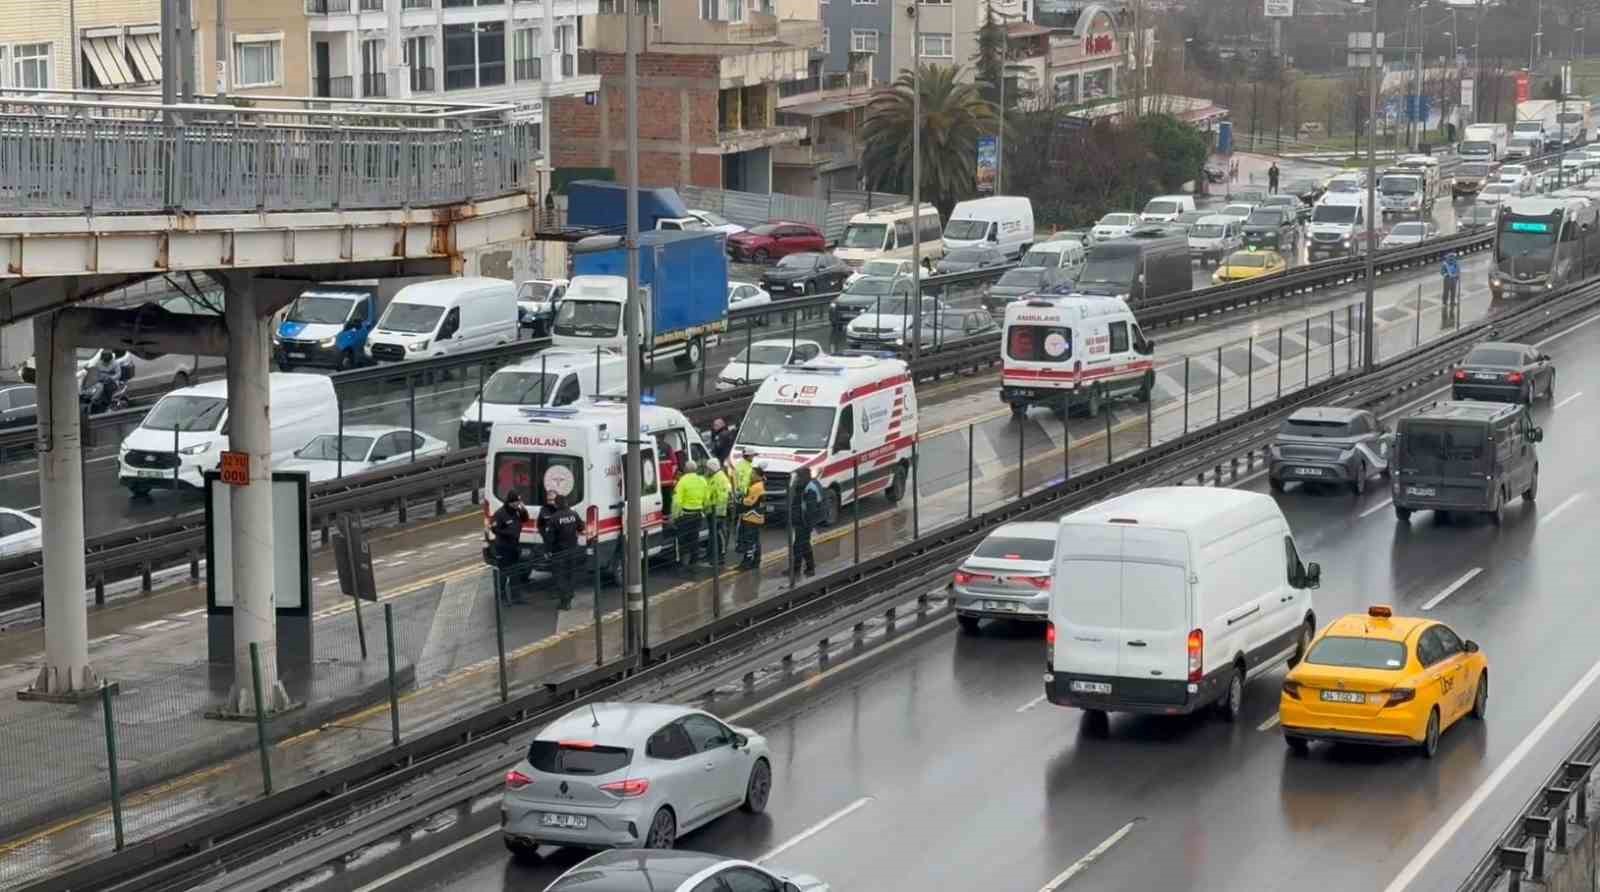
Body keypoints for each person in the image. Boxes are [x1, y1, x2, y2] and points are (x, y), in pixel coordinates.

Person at [490, 491, 531, 605]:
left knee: (515, 572)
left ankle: (516, 597)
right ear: (511, 502)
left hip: (514, 546)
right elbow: (494, 529)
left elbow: (525, 519)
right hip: (503, 547)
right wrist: (509, 533)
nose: (518, 504)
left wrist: (523, 510)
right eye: (517, 502)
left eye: (519, 501)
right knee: (503, 573)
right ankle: (501, 598)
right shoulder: (500, 514)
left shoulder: (517, 511)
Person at [545, 494, 583, 608]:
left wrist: (548, 551)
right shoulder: (574, 514)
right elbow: (581, 527)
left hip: (559, 552)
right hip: (573, 549)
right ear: (566, 502)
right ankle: (569, 597)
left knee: (560, 576)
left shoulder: (554, 518)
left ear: (556, 504)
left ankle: (564, 601)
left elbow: (550, 538)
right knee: (571, 575)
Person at [671, 460, 709, 566]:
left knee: (682, 539)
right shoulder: (702, 480)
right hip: (697, 514)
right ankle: (694, 560)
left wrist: (674, 516)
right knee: (694, 537)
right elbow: (706, 498)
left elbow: (677, 502)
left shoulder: (682, 481)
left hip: (685, 515)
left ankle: (682, 561)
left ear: (685, 469)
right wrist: (703, 509)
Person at [789, 467, 821, 578]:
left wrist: (808, 525)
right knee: (801, 545)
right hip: (799, 521)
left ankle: (804, 568)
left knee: (800, 546)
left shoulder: (810, 489)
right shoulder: (801, 486)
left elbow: (811, 510)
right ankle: (801, 568)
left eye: (798, 476)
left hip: (804, 523)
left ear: (803, 477)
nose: (796, 478)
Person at [738, 461, 767, 569]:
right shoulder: (761, 484)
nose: (751, 475)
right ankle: (756, 561)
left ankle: (747, 562)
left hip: (752, 516)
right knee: (755, 540)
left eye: (753, 474)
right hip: (757, 516)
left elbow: (750, 502)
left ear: (758, 475)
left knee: (749, 540)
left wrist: (740, 500)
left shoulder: (756, 487)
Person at [705, 457, 732, 562]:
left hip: (717, 512)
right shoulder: (715, 477)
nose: (707, 470)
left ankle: (719, 557)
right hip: (713, 511)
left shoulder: (719, 478)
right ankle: (712, 555)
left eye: (708, 468)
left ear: (712, 468)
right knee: (714, 535)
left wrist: (711, 506)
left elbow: (721, 497)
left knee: (718, 535)